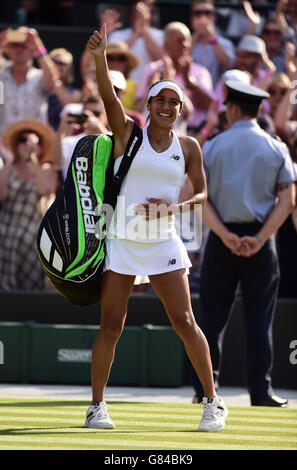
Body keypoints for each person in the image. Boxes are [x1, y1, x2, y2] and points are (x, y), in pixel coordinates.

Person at [84, 25, 228, 432]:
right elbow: (108, 97)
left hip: (163, 240)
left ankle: (213, 402)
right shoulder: (128, 132)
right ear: (148, 104)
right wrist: (100, 58)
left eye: (174, 102)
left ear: (182, 110)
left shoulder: (190, 148)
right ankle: (97, 407)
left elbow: (202, 197)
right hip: (122, 239)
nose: (167, 106)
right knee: (112, 324)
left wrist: (174, 207)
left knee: (184, 321)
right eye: (160, 100)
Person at [191, 80, 296, 407]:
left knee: (210, 318)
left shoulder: (212, 146)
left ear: (233, 108)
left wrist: (224, 235)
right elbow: (288, 200)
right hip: (260, 241)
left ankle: (204, 390)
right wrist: (260, 238)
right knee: (259, 319)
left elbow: (198, 199)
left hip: (222, 238)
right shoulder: (276, 147)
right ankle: (260, 391)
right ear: (258, 109)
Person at [0, 119, 58, 290]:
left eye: (32, 141)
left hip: (34, 227)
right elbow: (1, 195)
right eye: (22, 140)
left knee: (30, 239)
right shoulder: (7, 167)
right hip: (7, 224)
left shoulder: (46, 169)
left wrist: (32, 161)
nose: (26, 145)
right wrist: (9, 161)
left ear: (40, 147)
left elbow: (45, 190)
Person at [134, 21, 213, 135]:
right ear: (166, 45)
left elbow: (209, 104)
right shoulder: (152, 70)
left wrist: (187, 82)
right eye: (179, 41)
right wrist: (152, 88)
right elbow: (137, 109)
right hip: (153, 135)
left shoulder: (200, 71)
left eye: (187, 40)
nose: (185, 45)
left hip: (193, 133)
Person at [0, 26, 57, 135]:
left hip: (34, 144)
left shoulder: (39, 77)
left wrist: (38, 45)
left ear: (32, 50)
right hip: (4, 147)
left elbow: (52, 82)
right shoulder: (1, 78)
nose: (18, 50)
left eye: (23, 46)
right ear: (8, 50)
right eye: (14, 46)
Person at [107, 0, 164, 82]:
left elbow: (162, 59)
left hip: (148, 89)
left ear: (151, 14)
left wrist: (144, 30)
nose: (139, 15)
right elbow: (115, 54)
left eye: (143, 11)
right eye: (136, 11)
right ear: (130, 14)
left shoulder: (160, 35)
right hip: (122, 88)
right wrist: (136, 34)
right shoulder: (117, 35)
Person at [190, 0, 235, 87]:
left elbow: (228, 64)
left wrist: (211, 37)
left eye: (207, 13)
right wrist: (196, 37)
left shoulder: (225, 43)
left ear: (214, 17)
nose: (202, 18)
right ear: (191, 18)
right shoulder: (185, 41)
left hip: (216, 97)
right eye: (197, 13)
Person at [48, 47, 81, 130]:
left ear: (69, 68)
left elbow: (69, 107)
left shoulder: (75, 93)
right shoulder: (40, 87)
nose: (57, 66)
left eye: (62, 63)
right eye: (54, 62)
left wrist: (55, 81)